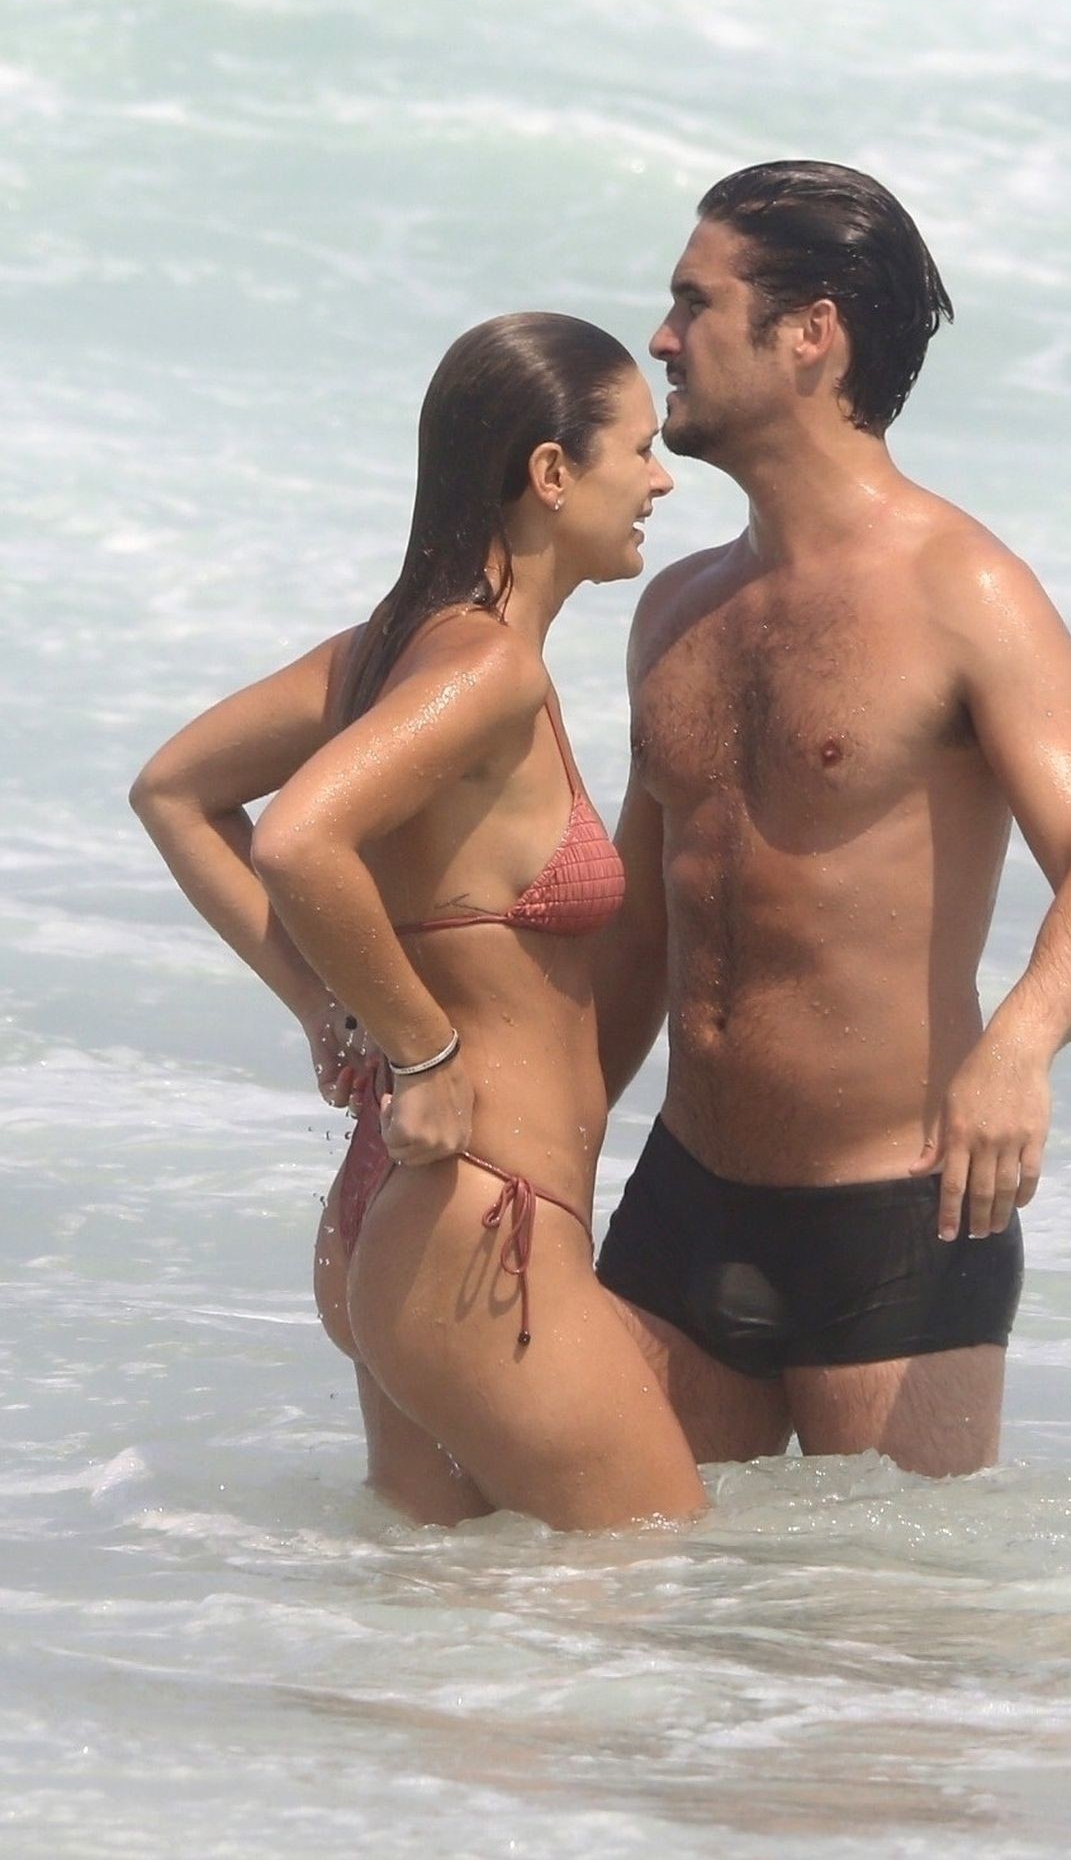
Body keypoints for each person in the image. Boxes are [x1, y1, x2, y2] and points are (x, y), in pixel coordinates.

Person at [593, 162, 1071, 1478]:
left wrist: (1018, 1049)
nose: (662, 340)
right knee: (629, 1596)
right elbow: (636, 935)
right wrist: (547, 1157)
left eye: (694, 303)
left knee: (892, 1604)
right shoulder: (675, 609)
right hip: (681, 1202)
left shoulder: (964, 591)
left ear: (810, 331)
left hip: (895, 1218)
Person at [130, 312, 706, 1532]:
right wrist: (417, 1047)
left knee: (451, 1616)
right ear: (550, 473)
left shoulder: (382, 655)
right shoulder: (486, 669)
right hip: (480, 1224)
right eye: (637, 451)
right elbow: (296, 839)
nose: (658, 482)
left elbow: (175, 794)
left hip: (403, 1210)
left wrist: (325, 1004)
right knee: (650, 1577)